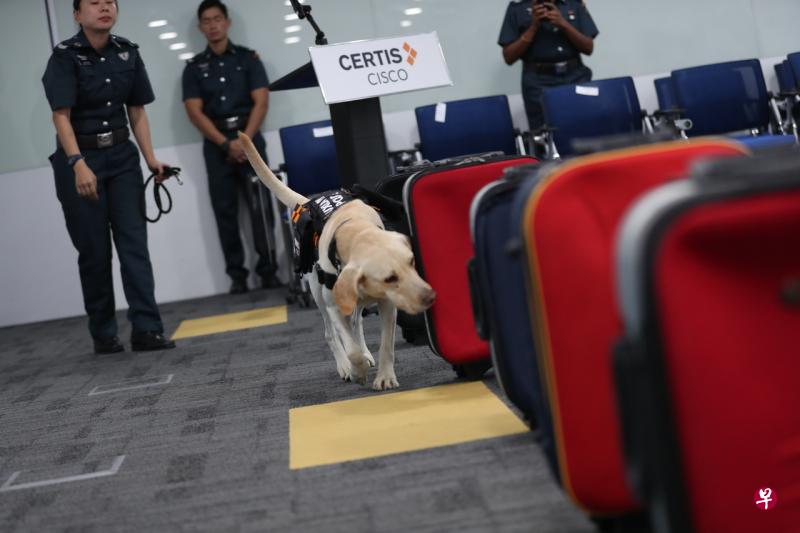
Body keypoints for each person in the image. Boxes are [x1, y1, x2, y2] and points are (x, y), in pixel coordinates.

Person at [42, 0, 176, 355]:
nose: (104, 8)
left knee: (134, 247)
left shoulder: (127, 53)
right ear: (76, 14)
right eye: (94, 3)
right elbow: (61, 116)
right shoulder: (65, 56)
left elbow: (137, 109)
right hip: (81, 160)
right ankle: (103, 333)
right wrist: (77, 163)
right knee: (94, 251)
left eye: (109, 2)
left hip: (122, 159)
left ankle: (147, 329)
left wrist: (150, 159)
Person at [182, 0, 279, 295]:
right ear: (201, 27)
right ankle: (237, 276)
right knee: (224, 212)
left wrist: (244, 143)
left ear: (227, 22)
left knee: (262, 208)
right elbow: (194, 111)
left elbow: (261, 102)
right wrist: (226, 143)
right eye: (207, 21)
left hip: (249, 137)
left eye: (217, 19)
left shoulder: (249, 59)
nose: (213, 25)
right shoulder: (194, 68)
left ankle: (269, 272)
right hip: (216, 145)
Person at [499, 0, 599, 132]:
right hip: (538, 83)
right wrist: (533, 26)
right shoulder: (517, 9)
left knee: (584, 127)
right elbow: (509, 57)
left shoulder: (573, 5)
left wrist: (563, 23)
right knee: (544, 135)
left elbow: (588, 48)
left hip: (575, 77)